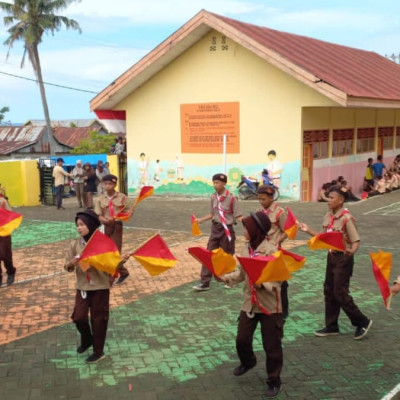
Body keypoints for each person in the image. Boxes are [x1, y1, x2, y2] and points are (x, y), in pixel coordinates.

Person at [221, 212, 284, 398]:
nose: (244, 231)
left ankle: (274, 380)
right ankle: (248, 362)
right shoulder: (245, 249)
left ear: (256, 230)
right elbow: (241, 275)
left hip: (269, 306)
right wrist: (223, 278)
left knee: (271, 346)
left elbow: (279, 280)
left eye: (247, 228)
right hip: (249, 303)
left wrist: (262, 283)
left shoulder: (271, 251)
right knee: (242, 339)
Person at [298, 187, 372, 340]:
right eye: (328, 197)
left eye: (331, 198)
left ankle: (362, 321)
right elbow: (323, 237)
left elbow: (355, 239)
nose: (328, 200)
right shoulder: (328, 216)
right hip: (331, 256)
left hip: (343, 258)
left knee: (340, 292)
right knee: (329, 289)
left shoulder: (346, 218)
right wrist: (307, 230)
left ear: (340, 200)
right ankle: (332, 326)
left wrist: (353, 250)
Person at [64, 210, 128, 363]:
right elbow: (67, 266)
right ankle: (87, 340)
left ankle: (98, 352)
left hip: (100, 287)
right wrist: (71, 264)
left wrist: (122, 260)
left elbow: (112, 263)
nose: (79, 228)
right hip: (83, 287)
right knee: (79, 317)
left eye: (82, 224)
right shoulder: (74, 244)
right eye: (77, 225)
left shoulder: (102, 243)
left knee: (99, 320)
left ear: (91, 225)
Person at [192, 173, 242, 291]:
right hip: (215, 229)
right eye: (214, 183)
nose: (215, 185)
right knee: (209, 255)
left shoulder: (232, 198)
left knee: (227, 256)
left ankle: (230, 280)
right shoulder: (213, 197)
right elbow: (212, 214)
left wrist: (249, 224)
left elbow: (238, 215)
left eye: (217, 183)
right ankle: (205, 282)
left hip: (227, 230)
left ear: (224, 184)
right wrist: (200, 220)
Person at [257, 185, 289, 319]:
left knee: (280, 281)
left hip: (275, 251)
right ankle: (264, 306)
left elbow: (287, 230)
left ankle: (283, 309)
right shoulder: (259, 212)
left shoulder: (279, 212)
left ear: (271, 198)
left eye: (263, 199)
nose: (261, 202)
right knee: (263, 279)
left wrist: (277, 241)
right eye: (259, 199)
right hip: (262, 250)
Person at [95, 174, 131, 285]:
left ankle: (109, 279)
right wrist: (104, 220)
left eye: (110, 184)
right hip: (105, 226)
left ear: (115, 184)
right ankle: (123, 272)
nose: (107, 186)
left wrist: (122, 216)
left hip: (117, 227)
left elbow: (128, 213)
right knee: (106, 252)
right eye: (105, 184)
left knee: (114, 253)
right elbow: (98, 214)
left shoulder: (122, 197)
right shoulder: (100, 199)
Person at [0, 196, 16, 286]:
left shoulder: (2, 201)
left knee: (5, 254)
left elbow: (10, 214)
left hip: (4, 231)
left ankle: (11, 271)